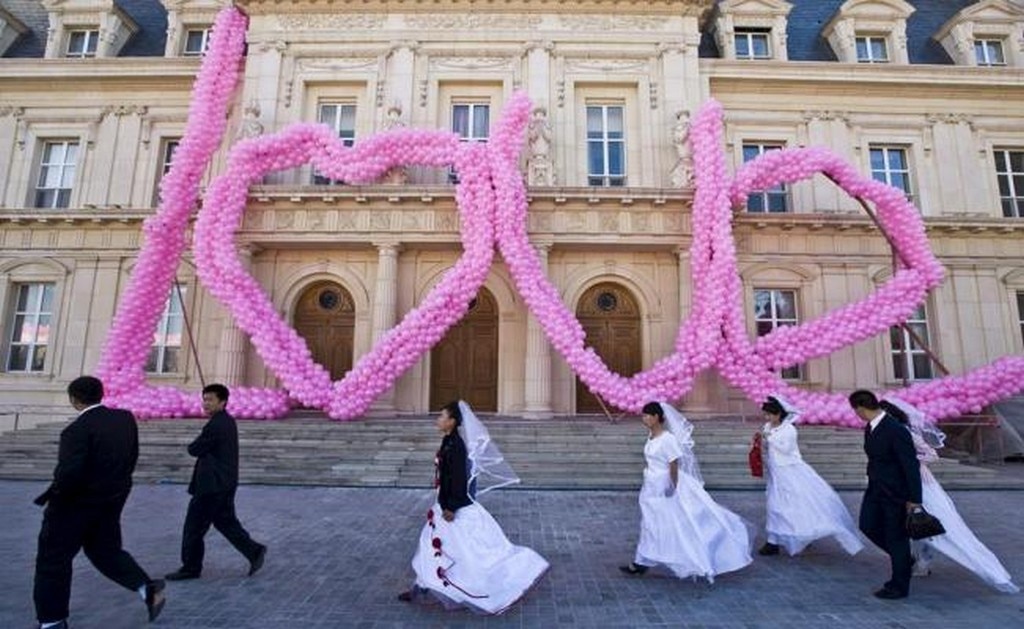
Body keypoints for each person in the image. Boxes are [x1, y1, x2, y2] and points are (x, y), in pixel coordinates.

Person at [33, 376, 166, 628]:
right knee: (106, 552)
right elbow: (131, 457)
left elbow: (68, 474)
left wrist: (56, 499)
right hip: (111, 501)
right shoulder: (124, 420)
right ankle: (147, 589)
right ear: (101, 394)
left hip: (74, 507)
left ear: (74, 400)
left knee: (52, 561)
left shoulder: (75, 431)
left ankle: (51, 621)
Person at [399, 401, 548, 614]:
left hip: (453, 507)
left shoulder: (457, 446)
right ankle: (422, 587)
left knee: (465, 552)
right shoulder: (448, 441)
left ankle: (477, 585)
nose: (438, 419)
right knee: (431, 546)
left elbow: (459, 479)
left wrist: (451, 507)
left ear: (452, 421)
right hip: (444, 503)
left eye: (442, 416)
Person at [882, 398, 1019, 594]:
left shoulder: (907, 433)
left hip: (921, 484)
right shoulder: (888, 434)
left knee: (933, 524)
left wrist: (911, 461)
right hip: (899, 485)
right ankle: (918, 561)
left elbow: (931, 454)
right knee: (910, 524)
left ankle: (927, 562)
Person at [620, 402, 753, 582]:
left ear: (657, 417)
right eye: (643, 415)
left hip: (665, 484)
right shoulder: (651, 436)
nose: (644, 419)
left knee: (675, 523)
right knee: (651, 523)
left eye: (647, 415)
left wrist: (672, 486)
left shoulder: (667, 439)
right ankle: (642, 560)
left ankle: (690, 558)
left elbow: (673, 463)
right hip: (651, 484)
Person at [165, 384, 266, 581]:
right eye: (204, 399)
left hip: (211, 486)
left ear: (223, 402)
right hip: (224, 483)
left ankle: (190, 567)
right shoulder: (226, 421)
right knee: (226, 522)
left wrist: (193, 445)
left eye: (210, 399)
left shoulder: (216, 424)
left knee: (193, 527)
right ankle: (254, 551)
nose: (206, 403)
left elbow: (195, 449)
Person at [757, 395, 863, 557]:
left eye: (770, 414)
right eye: (766, 415)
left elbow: (786, 449)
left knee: (795, 503)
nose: (767, 418)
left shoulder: (789, 429)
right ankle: (773, 540)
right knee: (774, 504)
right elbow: (767, 445)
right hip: (776, 471)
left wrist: (769, 439)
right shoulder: (767, 426)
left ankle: (804, 532)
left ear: (779, 414)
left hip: (790, 470)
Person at [849, 389, 922, 600]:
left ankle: (899, 585)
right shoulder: (871, 428)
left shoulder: (895, 429)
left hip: (896, 493)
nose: (856, 414)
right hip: (875, 489)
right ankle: (903, 559)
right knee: (867, 525)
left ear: (861, 408)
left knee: (896, 536)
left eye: (855, 410)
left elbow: (910, 466)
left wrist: (914, 500)